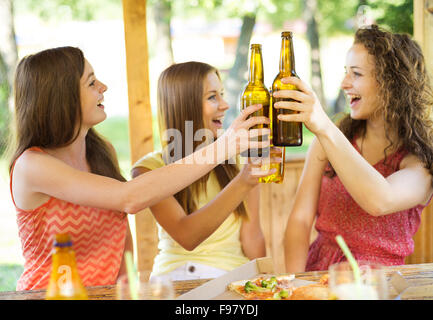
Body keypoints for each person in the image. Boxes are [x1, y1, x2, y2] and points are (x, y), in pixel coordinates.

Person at [8, 47, 270, 290]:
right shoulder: (32, 166)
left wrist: (128, 288)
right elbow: (129, 198)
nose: (103, 87)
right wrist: (223, 147)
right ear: (61, 97)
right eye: (91, 83)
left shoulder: (101, 153)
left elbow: (121, 241)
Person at [281, 25, 433, 273]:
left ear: (390, 83)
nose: (344, 83)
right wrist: (294, 283)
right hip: (318, 275)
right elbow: (299, 220)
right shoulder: (327, 142)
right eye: (345, 72)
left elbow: (380, 201)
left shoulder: (419, 163)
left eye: (356, 74)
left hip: (379, 287)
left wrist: (324, 126)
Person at [132, 61, 275, 280]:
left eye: (222, 94)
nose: (225, 104)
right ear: (184, 105)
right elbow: (187, 236)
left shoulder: (239, 160)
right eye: (212, 97)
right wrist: (242, 182)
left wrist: (267, 282)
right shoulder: (149, 170)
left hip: (230, 278)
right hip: (174, 280)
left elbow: (252, 235)